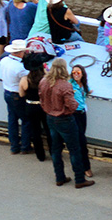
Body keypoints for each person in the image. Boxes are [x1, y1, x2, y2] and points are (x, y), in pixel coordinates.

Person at [40, 58, 93, 188]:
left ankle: (60, 177)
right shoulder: (65, 85)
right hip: (65, 119)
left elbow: (41, 98)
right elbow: (73, 105)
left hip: (50, 118)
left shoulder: (44, 82)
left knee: (56, 149)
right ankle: (79, 179)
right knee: (74, 149)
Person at [19, 61, 49, 161]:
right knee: (48, 129)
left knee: (35, 131)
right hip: (43, 106)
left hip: (30, 106)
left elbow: (21, 94)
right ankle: (54, 151)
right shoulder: (45, 80)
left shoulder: (25, 79)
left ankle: (40, 155)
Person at [70, 64, 94, 180]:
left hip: (82, 113)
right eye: (74, 72)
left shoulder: (83, 84)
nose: (76, 75)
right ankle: (85, 167)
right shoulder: (70, 85)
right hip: (74, 114)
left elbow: (87, 91)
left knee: (81, 138)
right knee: (81, 141)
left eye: (78, 72)